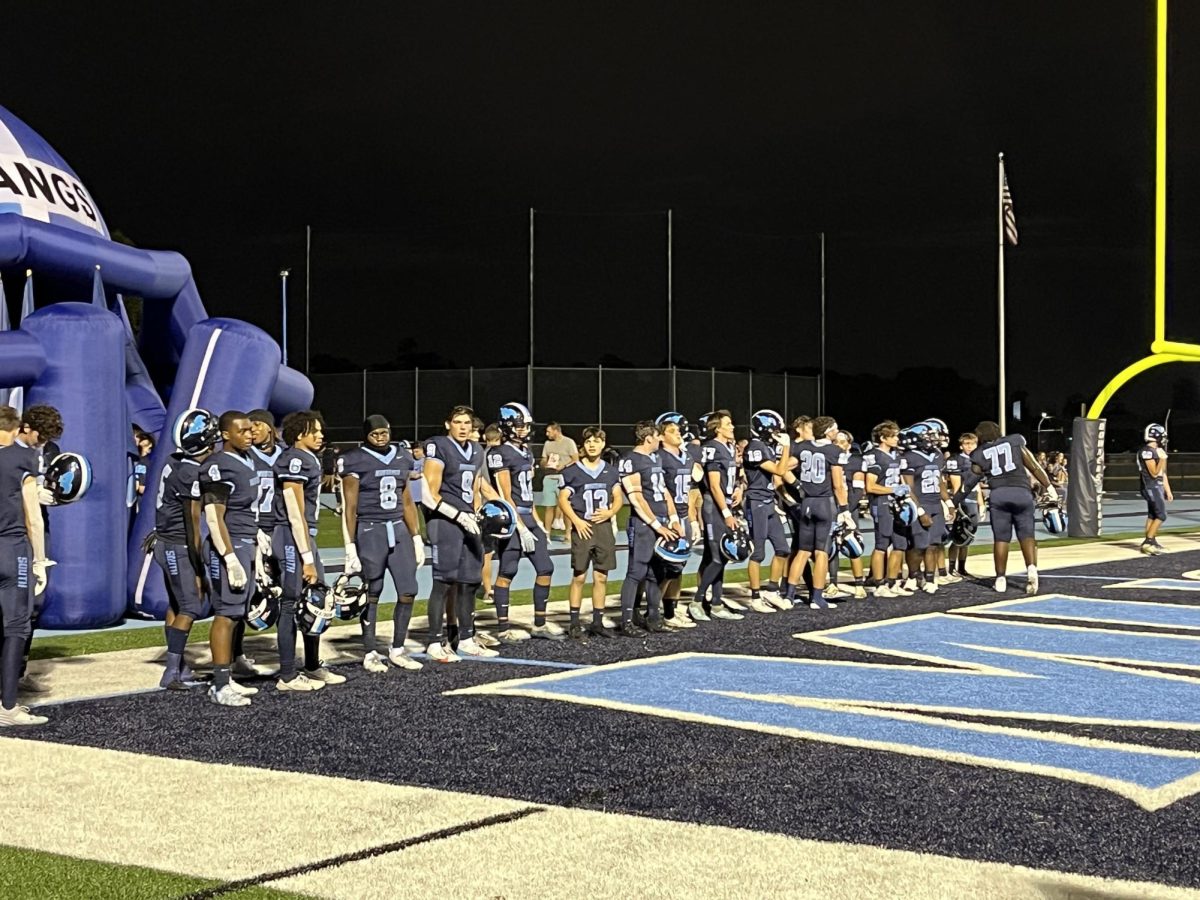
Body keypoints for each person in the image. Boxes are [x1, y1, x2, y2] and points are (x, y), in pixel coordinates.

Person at [338, 414, 427, 669]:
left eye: (384, 433)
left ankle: (397, 648)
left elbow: (407, 500)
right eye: (375, 434)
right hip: (370, 529)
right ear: (366, 436)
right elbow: (350, 506)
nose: (380, 438)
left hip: (398, 528)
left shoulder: (402, 456)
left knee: (408, 589)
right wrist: (350, 546)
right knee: (372, 592)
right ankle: (370, 652)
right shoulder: (354, 459)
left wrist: (416, 536)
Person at [273, 410, 345, 688]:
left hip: (301, 537)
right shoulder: (294, 460)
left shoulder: (306, 459)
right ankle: (288, 674)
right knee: (291, 604)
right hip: (292, 536)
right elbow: (294, 512)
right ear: (299, 432)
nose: (320, 434)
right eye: (313, 430)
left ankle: (312, 665)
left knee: (316, 602)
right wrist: (307, 558)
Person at [199, 411, 263, 707]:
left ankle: (230, 673)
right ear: (226, 434)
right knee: (226, 612)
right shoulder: (217, 465)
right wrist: (229, 557)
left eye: (252, 430)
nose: (250, 434)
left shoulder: (247, 459)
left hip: (245, 539)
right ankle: (220, 684)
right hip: (230, 543)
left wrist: (256, 536)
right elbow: (214, 516)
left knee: (238, 611)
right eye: (244, 431)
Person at [154, 409, 219, 690]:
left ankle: (180, 667)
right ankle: (171, 672)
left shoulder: (175, 460)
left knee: (177, 605)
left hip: (164, 541)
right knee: (191, 607)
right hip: (177, 544)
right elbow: (193, 523)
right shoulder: (190, 471)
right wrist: (197, 567)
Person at [953, 420, 1055, 595]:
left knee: (1001, 538)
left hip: (999, 495)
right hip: (1021, 493)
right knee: (1027, 535)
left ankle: (1000, 579)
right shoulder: (1015, 442)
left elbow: (968, 483)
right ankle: (1031, 570)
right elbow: (1035, 466)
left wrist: (953, 502)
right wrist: (1050, 487)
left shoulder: (979, 454)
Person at [420, 405, 488, 662]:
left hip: (469, 519)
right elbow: (428, 493)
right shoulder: (438, 446)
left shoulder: (477, 450)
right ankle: (434, 641)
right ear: (448, 424)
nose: (463, 427)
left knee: (471, 581)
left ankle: (467, 638)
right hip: (445, 520)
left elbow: (475, 488)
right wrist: (457, 514)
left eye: (467, 423)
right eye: (457, 422)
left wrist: (479, 511)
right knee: (444, 582)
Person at [489, 402, 558, 640]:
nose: (523, 430)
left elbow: (528, 494)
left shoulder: (527, 452)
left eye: (525, 426)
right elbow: (505, 495)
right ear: (507, 426)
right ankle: (503, 629)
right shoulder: (499, 454)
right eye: (518, 426)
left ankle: (539, 624)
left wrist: (538, 523)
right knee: (508, 570)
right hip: (513, 520)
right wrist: (520, 527)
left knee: (546, 568)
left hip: (529, 515)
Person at [0, 405, 51, 726]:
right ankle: (6, 707)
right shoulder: (21, 459)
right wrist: (40, 560)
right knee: (16, 627)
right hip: (11, 546)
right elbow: (33, 516)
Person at [558, 426, 623, 639]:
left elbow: (618, 497)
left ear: (603, 444)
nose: (592, 445)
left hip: (603, 528)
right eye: (588, 442)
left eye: (596, 441)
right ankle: (574, 623)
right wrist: (576, 521)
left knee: (601, 576)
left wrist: (611, 511)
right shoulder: (572, 471)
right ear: (583, 445)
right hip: (583, 526)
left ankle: (597, 622)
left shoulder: (611, 471)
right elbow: (563, 500)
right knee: (579, 576)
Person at [617, 421, 681, 635]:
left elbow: (664, 492)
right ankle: (626, 621)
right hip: (644, 523)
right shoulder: (630, 460)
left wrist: (673, 518)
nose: (660, 440)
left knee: (657, 572)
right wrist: (655, 524)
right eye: (657, 436)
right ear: (648, 439)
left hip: (662, 520)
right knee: (637, 572)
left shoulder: (656, 458)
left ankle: (653, 618)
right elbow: (635, 498)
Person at [786, 415, 851, 610]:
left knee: (802, 551)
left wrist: (797, 485)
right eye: (835, 429)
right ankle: (816, 597)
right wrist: (845, 510)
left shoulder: (803, 447)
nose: (837, 432)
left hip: (806, 502)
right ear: (828, 431)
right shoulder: (834, 451)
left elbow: (783, 468)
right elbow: (838, 485)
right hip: (824, 503)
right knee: (821, 552)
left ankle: (789, 596)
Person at [692, 410, 744, 622]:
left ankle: (716, 602)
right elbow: (713, 485)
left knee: (720, 557)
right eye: (728, 424)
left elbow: (730, 478)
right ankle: (696, 601)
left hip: (725, 505)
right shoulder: (713, 448)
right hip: (714, 507)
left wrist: (739, 488)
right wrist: (725, 512)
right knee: (716, 557)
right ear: (717, 428)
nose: (732, 427)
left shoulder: (728, 448)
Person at [742, 410, 793, 612]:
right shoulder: (755, 447)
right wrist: (787, 446)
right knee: (758, 552)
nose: (778, 433)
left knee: (783, 549)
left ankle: (772, 590)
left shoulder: (764, 446)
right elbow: (780, 470)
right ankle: (755, 597)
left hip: (768, 501)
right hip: (757, 503)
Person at [654, 412, 701, 628]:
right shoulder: (660, 457)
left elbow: (691, 491)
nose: (678, 434)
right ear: (661, 437)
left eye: (678, 430)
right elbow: (661, 490)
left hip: (683, 514)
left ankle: (671, 611)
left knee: (679, 565)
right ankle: (654, 612)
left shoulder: (687, 456)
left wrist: (692, 519)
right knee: (665, 567)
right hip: (667, 516)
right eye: (672, 431)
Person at [900, 423, 952, 594]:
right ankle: (913, 576)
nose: (934, 439)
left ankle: (930, 578)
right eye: (929, 435)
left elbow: (940, 481)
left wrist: (949, 503)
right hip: (919, 504)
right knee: (918, 545)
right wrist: (920, 511)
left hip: (936, 503)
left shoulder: (937, 455)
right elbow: (908, 488)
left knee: (934, 544)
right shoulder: (909, 457)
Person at [864, 421, 911, 598]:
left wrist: (903, 491)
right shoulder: (874, 456)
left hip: (896, 504)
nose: (897, 439)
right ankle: (879, 584)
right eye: (894, 436)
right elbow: (870, 486)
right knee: (882, 544)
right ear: (883, 438)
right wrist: (893, 490)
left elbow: (900, 479)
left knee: (900, 544)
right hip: (882, 503)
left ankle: (893, 582)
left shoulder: (896, 456)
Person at [945, 432, 980, 577]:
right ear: (961, 445)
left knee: (967, 537)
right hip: (962, 500)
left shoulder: (978, 460)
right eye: (967, 443)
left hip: (973, 499)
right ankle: (951, 567)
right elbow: (956, 486)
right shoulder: (956, 460)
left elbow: (977, 485)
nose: (970, 446)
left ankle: (962, 568)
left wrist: (981, 503)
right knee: (958, 536)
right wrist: (958, 504)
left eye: (972, 443)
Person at [1136, 423, 1172, 556]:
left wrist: (1167, 490)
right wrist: (1162, 459)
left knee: (1153, 514)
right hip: (1150, 486)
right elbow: (1154, 473)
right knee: (1161, 515)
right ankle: (1148, 541)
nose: (1163, 439)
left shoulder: (1155, 451)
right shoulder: (1147, 451)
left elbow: (1162, 473)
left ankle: (1151, 541)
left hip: (1156, 486)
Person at [539, 421, 579, 540]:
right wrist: (545, 464)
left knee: (566, 506)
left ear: (556, 431)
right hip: (549, 478)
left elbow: (576, 459)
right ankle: (547, 534)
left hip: (564, 478)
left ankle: (568, 533)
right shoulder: (547, 444)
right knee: (549, 506)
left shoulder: (569, 442)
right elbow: (543, 460)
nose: (547, 434)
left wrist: (564, 466)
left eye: (549, 431)